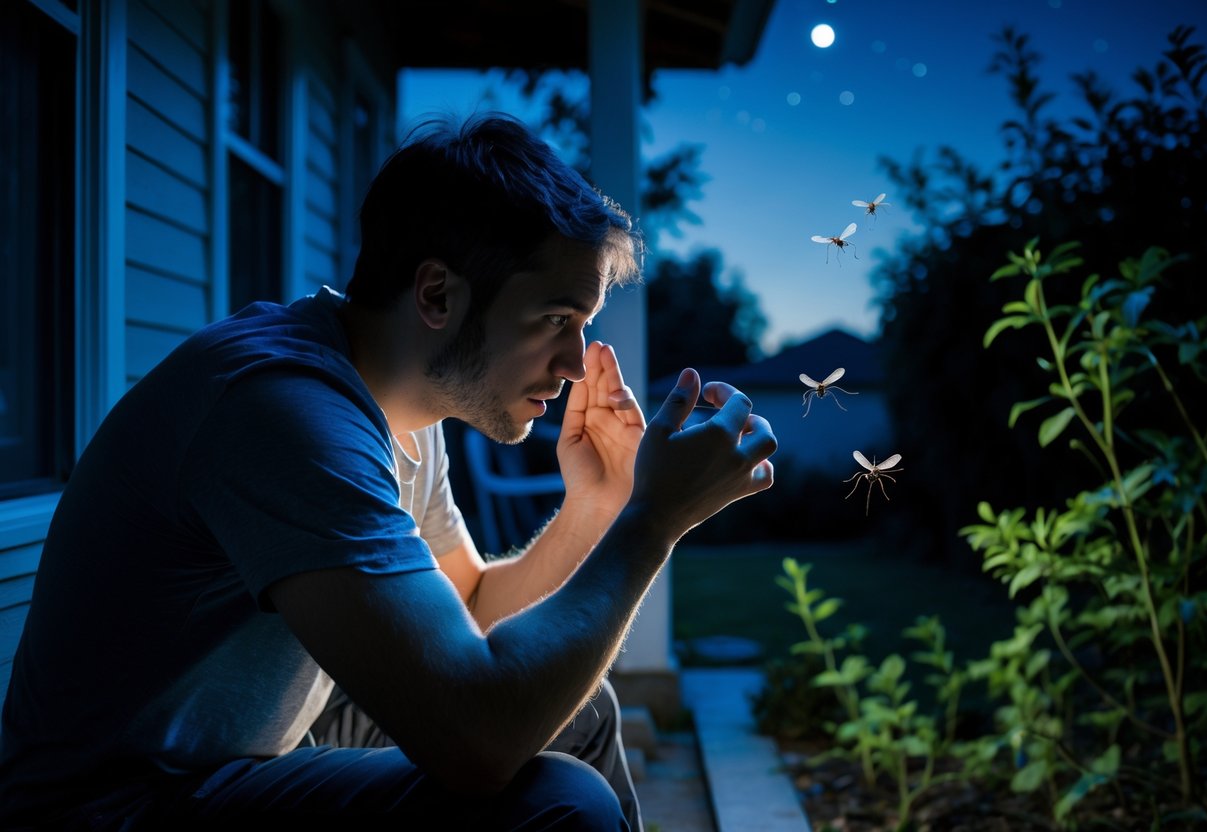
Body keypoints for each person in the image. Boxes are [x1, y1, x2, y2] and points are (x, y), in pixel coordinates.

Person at [0, 111, 777, 830]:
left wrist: (598, 504)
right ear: (437, 293)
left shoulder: (403, 400)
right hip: (116, 803)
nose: (575, 364)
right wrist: (651, 523)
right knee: (558, 801)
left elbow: (468, 610)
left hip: (243, 750)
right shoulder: (282, 414)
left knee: (578, 707)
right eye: (554, 320)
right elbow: (476, 741)